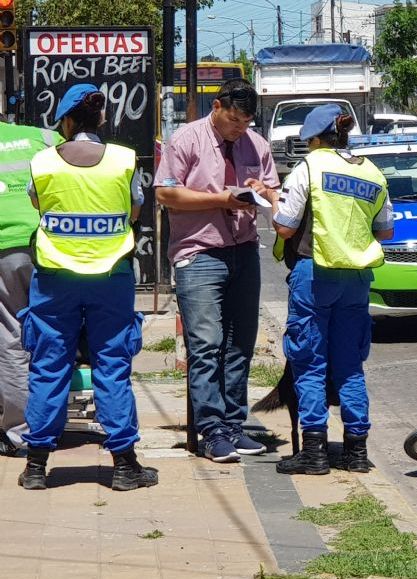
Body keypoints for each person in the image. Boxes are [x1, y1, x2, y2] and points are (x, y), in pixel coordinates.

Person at [17, 83, 157, 491]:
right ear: (101, 118)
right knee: (112, 366)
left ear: (65, 120)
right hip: (110, 277)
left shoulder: (43, 163)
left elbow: (38, 205)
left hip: (55, 278)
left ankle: (37, 466)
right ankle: (125, 466)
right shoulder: (124, 161)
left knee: (48, 366)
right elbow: (133, 210)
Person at [154, 79, 279, 463]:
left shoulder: (256, 145)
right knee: (206, 345)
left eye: (246, 122)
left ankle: (233, 424)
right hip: (200, 253)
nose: (240, 128)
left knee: (240, 343)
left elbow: (276, 193)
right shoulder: (186, 140)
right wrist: (220, 199)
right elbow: (165, 192)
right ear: (218, 108)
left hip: (243, 250)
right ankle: (210, 430)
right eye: (235, 120)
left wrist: (264, 190)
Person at [266, 104, 394, 475]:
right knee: (350, 366)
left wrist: (272, 200)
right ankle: (356, 452)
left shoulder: (310, 168)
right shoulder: (372, 172)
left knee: (309, 364)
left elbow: (286, 227)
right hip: (356, 280)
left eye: (310, 141)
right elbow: (386, 231)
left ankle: (315, 453)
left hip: (315, 275)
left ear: (318, 139)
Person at [0, 120, 62, 457]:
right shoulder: (42, 137)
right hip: (49, 242)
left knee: (10, 335)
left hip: (4, 246)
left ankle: (21, 432)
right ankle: (51, 424)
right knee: (51, 333)